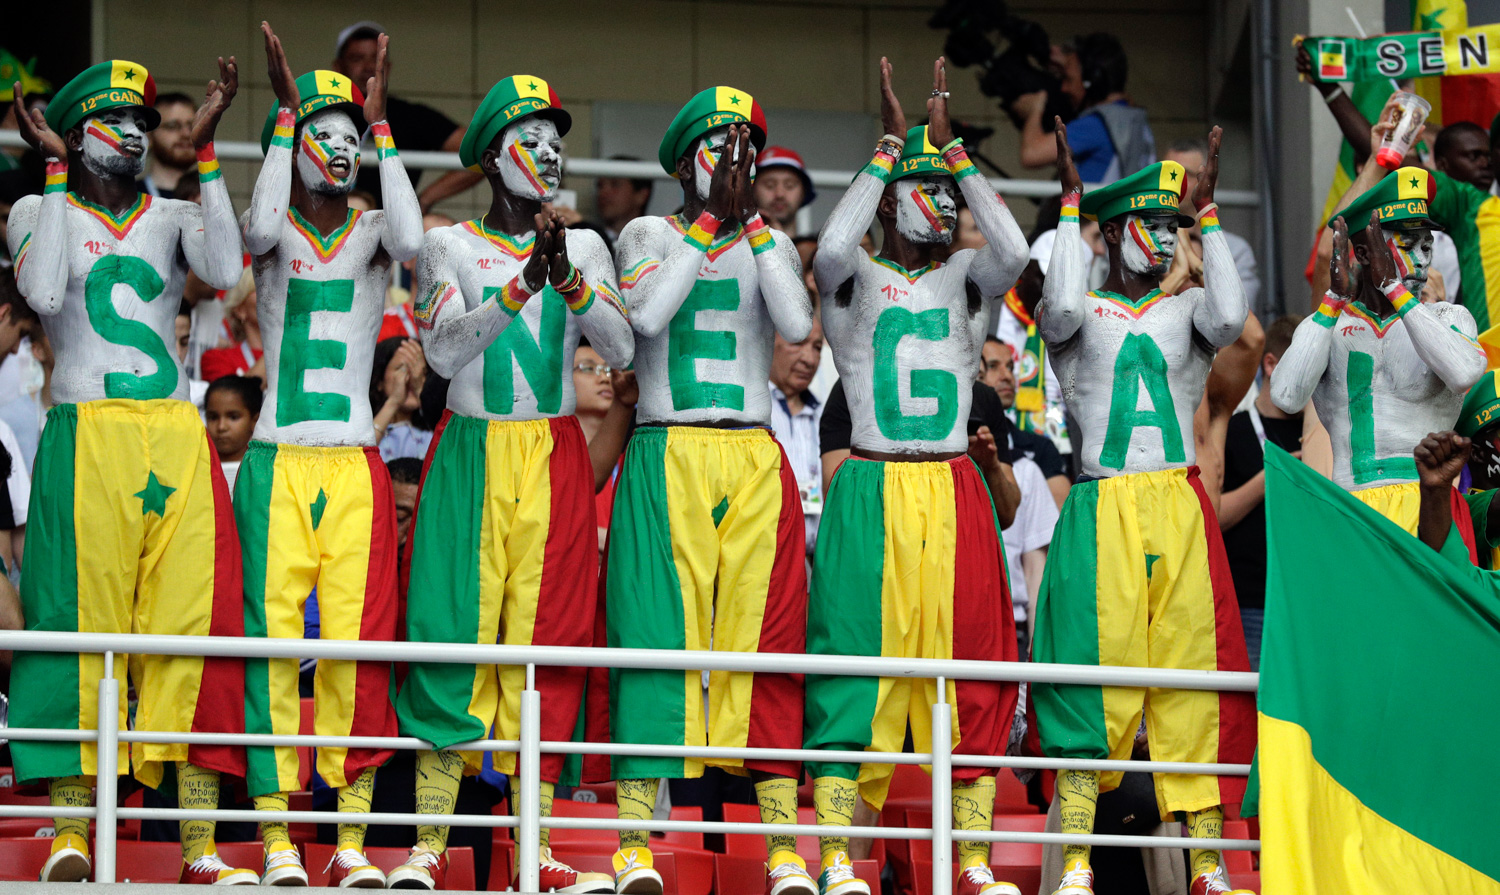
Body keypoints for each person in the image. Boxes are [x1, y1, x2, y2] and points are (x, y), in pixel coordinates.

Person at [6, 55, 256, 883]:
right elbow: (42, 293)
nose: (136, 134)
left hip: (173, 437)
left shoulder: (177, 211)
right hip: (84, 435)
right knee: (78, 626)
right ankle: (73, 827)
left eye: (144, 122)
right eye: (116, 122)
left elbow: (225, 271)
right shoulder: (33, 210)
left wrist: (211, 150)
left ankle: (197, 843)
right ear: (77, 137)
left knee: (191, 630)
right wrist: (49, 174)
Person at [387, 73, 632, 893]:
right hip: (471, 450)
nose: (552, 154)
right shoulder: (447, 243)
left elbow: (623, 349)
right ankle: (429, 841)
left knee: (551, 641)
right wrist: (524, 279)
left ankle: (542, 839)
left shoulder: (589, 245)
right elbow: (447, 355)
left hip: (555, 451)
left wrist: (566, 278)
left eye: (559, 142)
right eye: (534, 140)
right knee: (450, 631)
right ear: (493, 156)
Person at [805, 57, 1027, 895]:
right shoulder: (855, 278)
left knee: (969, 670)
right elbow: (828, 247)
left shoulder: (967, 279)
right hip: (870, 481)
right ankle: (836, 857)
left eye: (948, 192)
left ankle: (970, 864)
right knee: (852, 680)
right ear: (893, 198)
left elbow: (1009, 244)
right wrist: (892, 147)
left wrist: (955, 151)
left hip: (954, 488)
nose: (940, 202)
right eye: (923, 189)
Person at [591, 82, 813, 895]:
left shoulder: (773, 240)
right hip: (665, 450)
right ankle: (635, 842)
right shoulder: (648, 230)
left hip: (752, 454)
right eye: (722, 145)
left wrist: (749, 221)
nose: (737, 159)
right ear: (688, 159)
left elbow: (793, 323)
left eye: (747, 147)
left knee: (769, 648)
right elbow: (645, 315)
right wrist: (711, 221)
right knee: (655, 645)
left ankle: (786, 843)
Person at [1030, 119, 1255, 895]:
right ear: (1117, 231)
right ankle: (1081, 861)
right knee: (1091, 683)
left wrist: (1213, 215)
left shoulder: (1186, 310)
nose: (1164, 242)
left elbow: (1230, 318)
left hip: (1178, 506)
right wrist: (1067, 207)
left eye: (1172, 228)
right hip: (1101, 507)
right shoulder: (1082, 313)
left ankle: (1203, 863)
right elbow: (1054, 311)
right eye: (1151, 227)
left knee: (1190, 681)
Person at [236, 23, 424, 887]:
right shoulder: (275, 229)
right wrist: (281, 117)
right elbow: (262, 221)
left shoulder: (378, 228)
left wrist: (382, 128)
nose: (344, 151)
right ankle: (275, 833)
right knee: (273, 649)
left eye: (354, 140)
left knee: (354, 648)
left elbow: (417, 244)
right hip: (278, 458)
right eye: (331, 135)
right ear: (299, 141)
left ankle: (347, 837)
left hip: (352, 461)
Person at [1270, 170, 1485, 542]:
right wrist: (1333, 300)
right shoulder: (1327, 326)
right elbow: (1286, 398)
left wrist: (1394, 289)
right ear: (1367, 253)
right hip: (1353, 505)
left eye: (1427, 246)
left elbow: (1464, 372)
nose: (1421, 259)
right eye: (1407, 245)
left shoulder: (1447, 317)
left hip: (1431, 503)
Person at [1215, 316, 1301, 671]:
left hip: (1304, 601)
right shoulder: (1233, 430)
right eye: (1304, 363)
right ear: (1270, 364)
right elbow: (1212, 516)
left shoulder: (1317, 433)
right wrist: (1272, 477)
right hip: (1250, 600)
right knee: (1249, 717)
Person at [333, 21, 481, 212]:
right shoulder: (319, 114)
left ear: (388, 67)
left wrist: (425, 199)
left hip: (391, 231)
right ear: (337, 67)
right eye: (357, 58)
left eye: (377, 59)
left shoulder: (410, 116)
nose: (369, 66)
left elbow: (480, 150)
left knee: (436, 224)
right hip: (323, 229)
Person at [1016, 34, 1154, 185]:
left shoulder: (1099, 124)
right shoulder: (1128, 117)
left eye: (1069, 79)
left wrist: (1034, 109)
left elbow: (1031, 154)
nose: (1063, 88)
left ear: (1092, 81)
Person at [1161, 139, 1261, 315]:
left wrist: (1192, 262)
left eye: (1183, 175)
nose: (1173, 183)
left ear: (1210, 182)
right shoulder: (1144, 240)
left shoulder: (1236, 250)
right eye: (1167, 174)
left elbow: (1244, 318)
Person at [979, 338, 1069, 506]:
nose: (1007, 376)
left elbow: (1060, 519)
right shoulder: (951, 446)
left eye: (1010, 367)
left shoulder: (1040, 449)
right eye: (992, 366)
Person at [768, 309, 825, 556]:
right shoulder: (753, 413)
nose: (809, 359)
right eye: (798, 343)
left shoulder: (824, 416)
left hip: (815, 562)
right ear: (769, 339)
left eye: (817, 347)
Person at [197, 267, 264, 382]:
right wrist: (281, 345)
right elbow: (236, 399)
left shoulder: (300, 355)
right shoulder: (217, 359)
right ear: (240, 310)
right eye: (260, 288)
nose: (273, 297)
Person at [370, 335, 431, 461]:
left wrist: (422, 392)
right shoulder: (363, 427)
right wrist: (393, 402)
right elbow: (359, 456)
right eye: (402, 369)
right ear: (380, 381)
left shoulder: (435, 430)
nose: (412, 378)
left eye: (421, 371)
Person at [205, 375, 262, 491]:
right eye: (213, 417)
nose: (221, 427)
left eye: (233, 417)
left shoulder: (262, 472)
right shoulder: (198, 469)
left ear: (255, 421)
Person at [140, 92, 196, 198]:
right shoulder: (131, 197)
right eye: (173, 126)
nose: (186, 134)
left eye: (192, 126)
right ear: (148, 136)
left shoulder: (210, 196)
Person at [755, 146, 816, 236]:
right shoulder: (731, 249)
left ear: (804, 193)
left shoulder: (818, 249)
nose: (780, 194)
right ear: (750, 190)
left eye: (789, 186)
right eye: (769, 185)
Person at [593, 157, 653, 242]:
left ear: (641, 195)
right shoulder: (590, 241)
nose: (603, 193)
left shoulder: (656, 242)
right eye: (600, 186)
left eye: (615, 184)